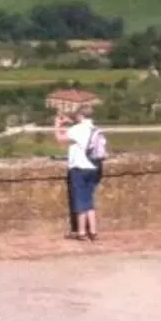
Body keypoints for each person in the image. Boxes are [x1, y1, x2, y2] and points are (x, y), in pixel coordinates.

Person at [58, 101, 106, 241]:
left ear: (80, 115)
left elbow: (60, 138)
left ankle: (81, 232)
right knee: (88, 199)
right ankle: (93, 231)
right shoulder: (96, 129)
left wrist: (57, 125)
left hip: (80, 168)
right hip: (94, 167)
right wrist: (71, 121)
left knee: (80, 200)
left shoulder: (77, 129)